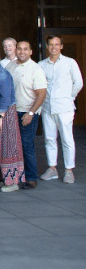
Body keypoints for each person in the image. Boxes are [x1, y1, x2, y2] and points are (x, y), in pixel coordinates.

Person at [39, 35, 83, 184]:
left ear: (61, 46)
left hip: (64, 108)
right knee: (49, 139)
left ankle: (69, 170)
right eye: (51, 44)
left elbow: (78, 83)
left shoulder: (70, 63)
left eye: (57, 44)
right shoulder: (41, 65)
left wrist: (68, 97)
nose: (54, 47)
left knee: (67, 139)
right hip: (47, 107)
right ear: (47, 46)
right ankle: (52, 169)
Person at [6, 40, 47, 189]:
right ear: (16, 50)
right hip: (12, 111)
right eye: (19, 49)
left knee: (26, 144)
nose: (22, 52)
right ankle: (16, 175)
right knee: (13, 145)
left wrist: (30, 113)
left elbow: (42, 93)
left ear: (30, 52)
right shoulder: (10, 66)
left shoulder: (35, 68)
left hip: (27, 112)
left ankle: (31, 177)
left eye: (25, 49)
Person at [0, 49, 25, 192]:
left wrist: (1, 117)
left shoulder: (1, 74)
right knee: (1, 147)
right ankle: (5, 179)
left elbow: (6, 98)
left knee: (8, 147)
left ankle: (13, 182)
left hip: (5, 114)